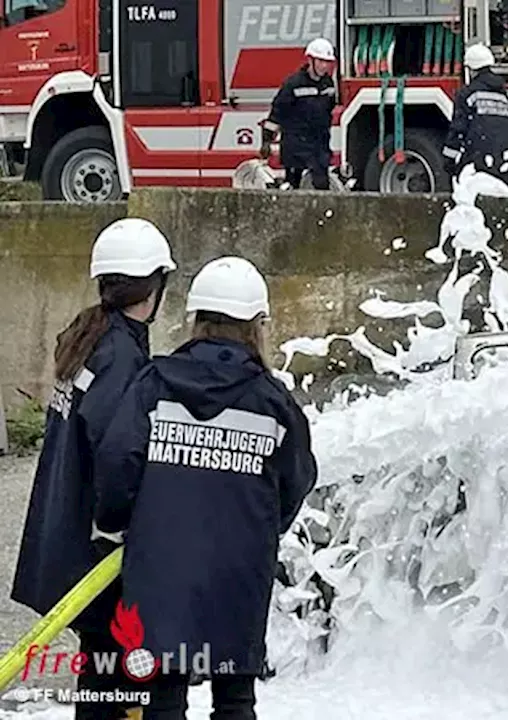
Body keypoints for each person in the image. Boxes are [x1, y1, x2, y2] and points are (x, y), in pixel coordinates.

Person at [93, 256, 318, 720]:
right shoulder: (273, 403)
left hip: (159, 570)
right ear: (258, 325)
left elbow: (117, 460)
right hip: (239, 572)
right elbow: (296, 480)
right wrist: (260, 531)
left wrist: (117, 523)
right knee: (236, 700)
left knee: (161, 699)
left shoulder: (153, 385)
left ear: (195, 319)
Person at [11, 218, 176, 720]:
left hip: (66, 537)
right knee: (115, 681)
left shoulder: (89, 337)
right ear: (155, 286)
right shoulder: (121, 356)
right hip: (96, 552)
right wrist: (122, 527)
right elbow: (116, 454)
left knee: (98, 675)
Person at [261, 37, 337, 191]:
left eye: (327, 62)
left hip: (319, 144)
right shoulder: (293, 84)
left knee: (322, 185)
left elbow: (328, 109)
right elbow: (277, 113)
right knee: (293, 188)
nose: (325, 66)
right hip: (296, 145)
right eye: (321, 61)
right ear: (310, 60)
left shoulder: (328, 84)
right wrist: (267, 141)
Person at [443, 43, 508, 184]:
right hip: (500, 156)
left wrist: (450, 160)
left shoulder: (467, 93)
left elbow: (459, 128)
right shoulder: (501, 93)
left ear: (471, 69)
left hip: (477, 158)